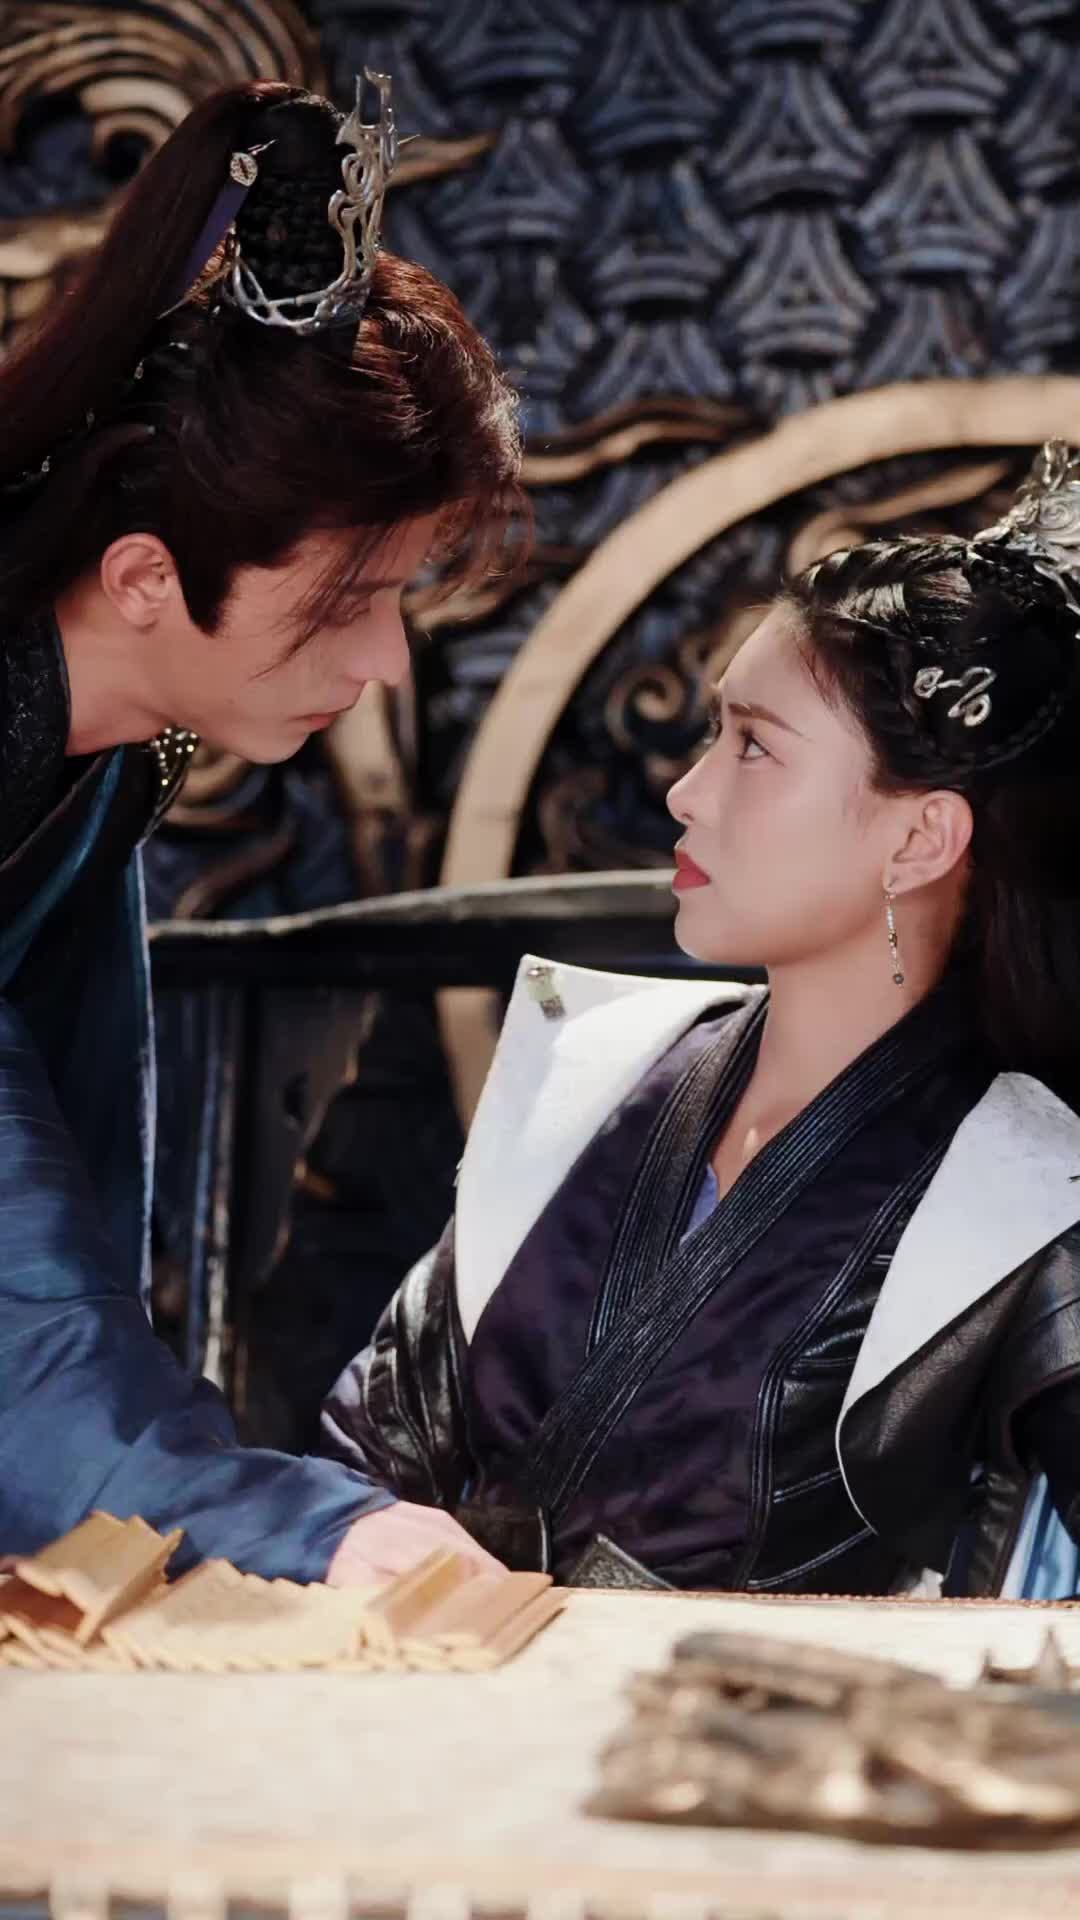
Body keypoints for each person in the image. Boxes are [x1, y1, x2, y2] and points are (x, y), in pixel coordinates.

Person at [324, 441, 1080, 1600]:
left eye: (754, 746)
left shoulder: (1027, 1194)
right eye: (713, 733)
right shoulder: (596, 1066)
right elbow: (363, 1459)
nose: (686, 792)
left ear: (919, 839)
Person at [0, 72, 518, 1584]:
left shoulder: (96, 750)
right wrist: (305, 1528)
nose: (385, 664)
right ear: (146, 579)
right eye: (349, 600)